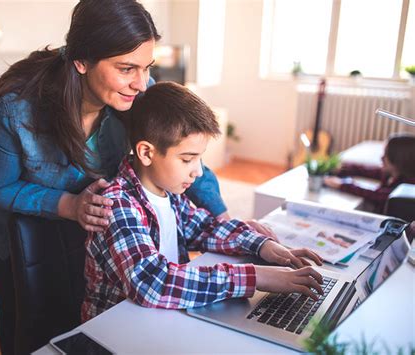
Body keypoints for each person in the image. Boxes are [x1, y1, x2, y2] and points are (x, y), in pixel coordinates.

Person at [0, 1, 231, 353]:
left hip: (77, 207)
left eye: (147, 67)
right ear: (81, 61)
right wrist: (69, 204)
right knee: (20, 306)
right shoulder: (18, 107)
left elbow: (181, 152)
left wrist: (222, 218)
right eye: (127, 68)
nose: (142, 84)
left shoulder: (137, 92)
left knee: (70, 297)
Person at [82, 82, 324, 321]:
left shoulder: (170, 194)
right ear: (146, 153)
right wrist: (257, 276)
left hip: (165, 316)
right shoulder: (116, 205)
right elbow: (153, 283)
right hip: (117, 328)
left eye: (200, 158)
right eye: (188, 159)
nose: (198, 171)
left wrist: (264, 246)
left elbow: (205, 227)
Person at [324, 134, 415, 214]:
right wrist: (343, 168)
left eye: (386, 154)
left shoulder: (408, 186)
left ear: (398, 159)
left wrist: (342, 185)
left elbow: (380, 195)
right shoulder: (393, 173)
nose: (381, 157)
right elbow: (368, 170)